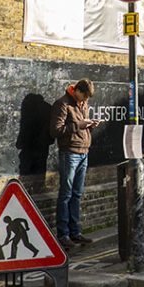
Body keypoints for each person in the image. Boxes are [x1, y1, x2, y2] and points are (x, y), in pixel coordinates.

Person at [49, 78, 100, 249]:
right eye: (83, 96)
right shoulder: (62, 104)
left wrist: (90, 125)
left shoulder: (82, 104)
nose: (85, 101)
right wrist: (79, 125)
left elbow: (80, 127)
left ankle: (75, 232)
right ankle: (63, 234)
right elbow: (56, 130)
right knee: (66, 194)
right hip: (69, 153)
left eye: (87, 99)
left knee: (77, 194)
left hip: (84, 152)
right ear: (76, 90)